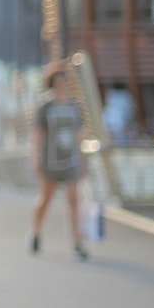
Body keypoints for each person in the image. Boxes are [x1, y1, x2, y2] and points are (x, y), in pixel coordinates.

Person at [29, 63, 89, 261]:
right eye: (58, 81)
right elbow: (37, 135)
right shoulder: (45, 106)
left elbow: (80, 135)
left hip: (70, 158)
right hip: (51, 159)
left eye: (64, 80)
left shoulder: (74, 106)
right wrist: (36, 159)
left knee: (73, 199)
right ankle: (36, 232)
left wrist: (83, 159)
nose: (61, 84)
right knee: (46, 197)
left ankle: (77, 242)